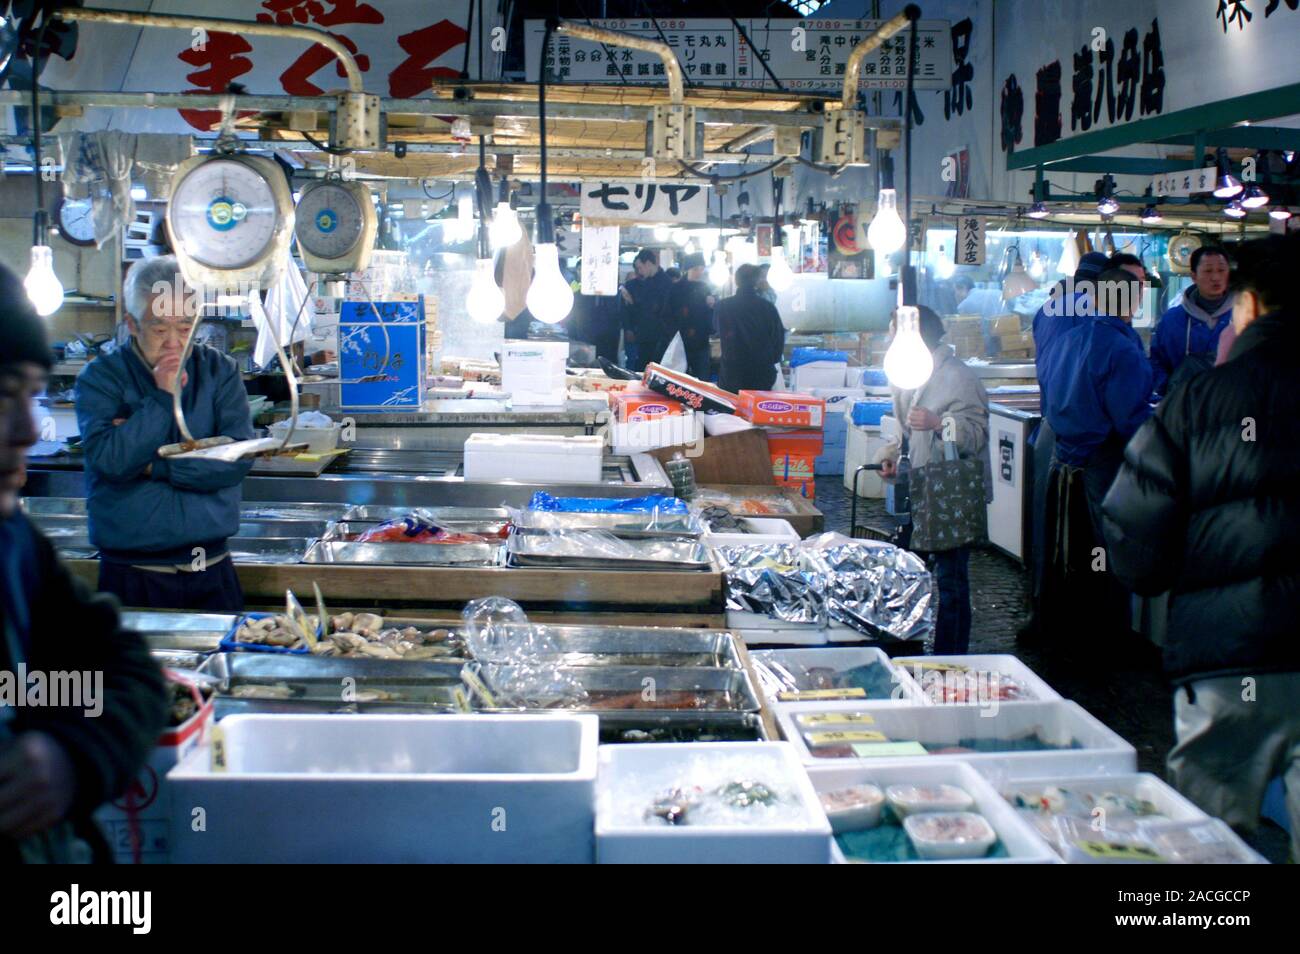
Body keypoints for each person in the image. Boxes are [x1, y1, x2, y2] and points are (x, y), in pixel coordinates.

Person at [1101, 234, 1300, 859]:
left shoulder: (1197, 399)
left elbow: (1133, 532)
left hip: (1228, 660)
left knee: (1210, 847)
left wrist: (1157, 575)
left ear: (1249, 309)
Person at [0, 264, 168, 863]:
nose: (27, 429)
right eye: (3, 394)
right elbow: (115, 459)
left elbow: (127, 678)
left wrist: (69, 754)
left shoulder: (14, 549)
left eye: (32, 394)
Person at [75, 255, 254, 611]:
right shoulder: (101, 378)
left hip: (210, 564)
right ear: (132, 324)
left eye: (185, 327)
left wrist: (154, 465)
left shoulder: (220, 371)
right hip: (133, 571)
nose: (174, 342)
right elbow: (111, 462)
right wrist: (161, 398)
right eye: (159, 329)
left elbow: (237, 459)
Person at [1037, 259, 1153, 647]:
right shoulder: (1121, 348)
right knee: (1104, 555)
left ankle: (1063, 633)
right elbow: (1130, 420)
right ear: (1131, 298)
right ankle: (1103, 641)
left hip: (1063, 463)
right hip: (1102, 467)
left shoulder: (1068, 340)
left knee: (1066, 552)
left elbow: (1050, 396)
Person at [878, 306, 991, 655]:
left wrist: (939, 423)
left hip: (951, 491)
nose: (888, 336)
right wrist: (892, 453)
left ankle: (951, 658)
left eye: (893, 329)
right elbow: (904, 426)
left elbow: (976, 434)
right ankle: (905, 649)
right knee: (909, 569)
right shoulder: (904, 371)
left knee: (951, 580)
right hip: (919, 486)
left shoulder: (959, 377)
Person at [1019, 250, 1111, 644]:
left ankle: (1046, 613)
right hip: (1076, 434)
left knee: (1050, 526)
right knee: (1079, 531)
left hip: (1052, 426)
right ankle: (1077, 625)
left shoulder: (1052, 306)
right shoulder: (1090, 312)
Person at [1149, 246, 1233, 397]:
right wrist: (1169, 391)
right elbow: (1156, 362)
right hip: (1182, 409)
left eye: (1221, 270)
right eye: (1208, 271)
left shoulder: (1244, 318)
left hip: (1231, 408)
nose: (1216, 277)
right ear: (1193, 276)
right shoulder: (1171, 320)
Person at [715, 264, 785, 393]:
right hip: (761, 372)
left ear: (736, 281)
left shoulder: (722, 306)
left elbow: (716, 330)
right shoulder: (767, 307)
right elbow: (779, 337)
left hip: (732, 372)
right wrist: (771, 360)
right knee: (759, 410)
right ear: (757, 281)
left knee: (732, 411)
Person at [619, 249, 674, 371]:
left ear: (648, 263)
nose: (639, 271)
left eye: (640, 267)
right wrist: (631, 302)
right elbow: (641, 310)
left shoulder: (666, 284)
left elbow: (664, 313)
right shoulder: (647, 282)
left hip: (659, 339)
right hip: (644, 338)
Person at [669, 252, 717, 379]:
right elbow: (668, 315)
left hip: (701, 342)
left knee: (702, 381)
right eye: (696, 269)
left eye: (701, 269)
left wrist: (711, 305)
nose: (699, 272)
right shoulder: (675, 289)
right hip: (680, 343)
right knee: (678, 380)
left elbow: (709, 314)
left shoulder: (705, 287)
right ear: (688, 269)